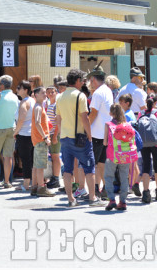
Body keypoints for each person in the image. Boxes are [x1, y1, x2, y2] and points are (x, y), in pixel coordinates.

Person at [56, 68, 105, 207]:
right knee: (89, 168)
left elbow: (58, 119)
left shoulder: (60, 97)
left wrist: (61, 133)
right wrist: (89, 135)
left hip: (65, 137)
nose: (83, 82)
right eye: (82, 80)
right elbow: (85, 118)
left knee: (68, 170)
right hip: (79, 138)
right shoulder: (80, 96)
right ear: (77, 81)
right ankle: (92, 198)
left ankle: (71, 199)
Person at [103, 103, 137, 211]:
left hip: (112, 155)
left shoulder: (108, 125)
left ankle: (112, 200)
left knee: (109, 176)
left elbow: (105, 142)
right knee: (124, 177)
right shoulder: (127, 125)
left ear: (111, 113)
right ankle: (123, 201)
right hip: (125, 155)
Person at [87, 65, 113, 200]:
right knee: (102, 163)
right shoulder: (107, 90)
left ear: (93, 80)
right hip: (106, 132)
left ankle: (94, 191)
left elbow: (93, 114)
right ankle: (105, 189)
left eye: (91, 80)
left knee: (92, 164)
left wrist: (85, 129)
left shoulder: (97, 93)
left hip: (97, 133)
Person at [138, 94, 157, 204]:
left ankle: (146, 193)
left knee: (146, 165)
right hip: (156, 142)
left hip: (144, 142)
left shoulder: (141, 113)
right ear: (156, 102)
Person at [30, 87, 55, 197]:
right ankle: (41, 187)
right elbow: (37, 123)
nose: (45, 94)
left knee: (36, 165)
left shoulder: (39, 106)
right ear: (36, 95)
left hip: (37, 139)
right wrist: (45, 137)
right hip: (40, 139)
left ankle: (35, 187)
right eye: (42, 93)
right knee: (40, 166)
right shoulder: (38, 107)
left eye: (45, 92)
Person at [14, 80, 35, 193]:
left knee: (25, 159)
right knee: (32, 159)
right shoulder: (32, 100)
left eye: (19, 87)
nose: (17, 89)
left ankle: (26, 183)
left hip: (24, 133)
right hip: (32, 133)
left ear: (25, 90)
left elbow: (21, 119)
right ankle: (33, 182)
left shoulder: (24, 102)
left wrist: (15, 132)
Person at [45, 85, 61, 189]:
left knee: (55, 156)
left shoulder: (56, 105)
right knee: (53, 157)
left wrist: (54, 136)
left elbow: (58, 123)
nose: (51, 94)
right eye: (49, 92)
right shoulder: (49, 104)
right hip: (49, 134)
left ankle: (56, 178)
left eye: (53, 92)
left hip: (54, 134)